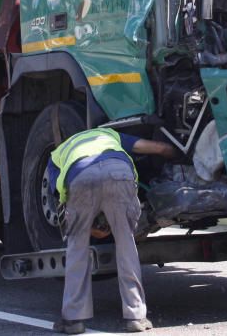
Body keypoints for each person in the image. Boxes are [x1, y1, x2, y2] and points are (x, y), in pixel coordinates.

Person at [50, 127, 176, 334]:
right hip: (119, 173)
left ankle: (73, 320)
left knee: (76, 248)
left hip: (79, 175)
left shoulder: (59, 152)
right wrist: (179, 155)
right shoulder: (108, 135)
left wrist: (88, 227)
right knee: (126, 245)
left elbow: (60, 193)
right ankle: (136, 317)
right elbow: (158, 148)